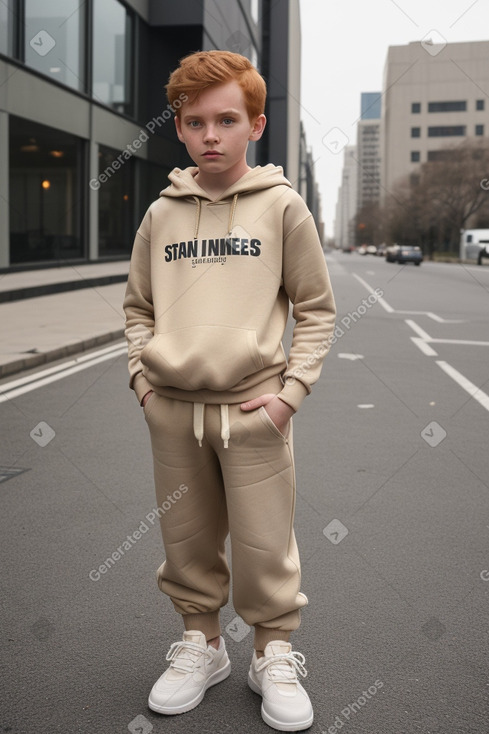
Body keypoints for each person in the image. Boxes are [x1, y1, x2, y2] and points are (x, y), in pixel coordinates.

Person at [123, 49, 336, 732]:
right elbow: (136, 309)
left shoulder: (282, 208)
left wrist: (289, 395)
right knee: (185, 539)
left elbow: (316, 309)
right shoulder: (160, 215)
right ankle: (203, 645)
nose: (210, 135)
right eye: (194, 122)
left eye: (226, 120)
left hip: (254, 411)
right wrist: (143, 382)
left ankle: (272, 652)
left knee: (264, 543)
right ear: (179, 130)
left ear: (256, 125)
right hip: (172, 410)